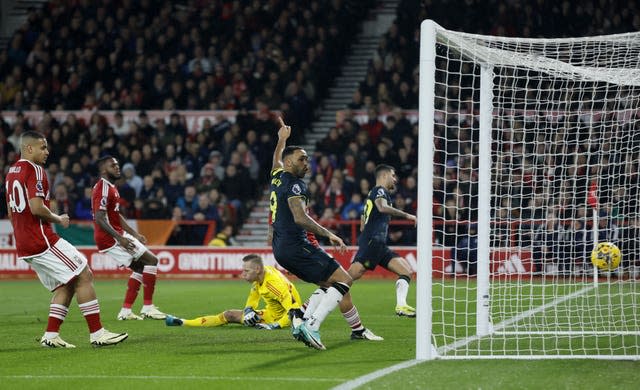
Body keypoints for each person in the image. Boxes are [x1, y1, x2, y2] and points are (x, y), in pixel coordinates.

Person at [5, 131, 128, 348]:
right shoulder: (36, 170)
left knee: (67, 283)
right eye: (42, 147)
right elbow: (36, 208)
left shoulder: (11, 172)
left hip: (25, 242)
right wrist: (57, 218)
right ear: (29, 148)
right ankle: (98, 333)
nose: (47, 151)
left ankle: (51, 336)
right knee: (84, 273)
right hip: (41, 240)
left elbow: (10, 210)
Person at [270, 117, 380, 350]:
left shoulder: (278, 176)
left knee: (333, 286)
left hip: (282, 249)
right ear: (289, 162)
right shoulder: (294, 185)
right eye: (302, 159)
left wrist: (282, 140)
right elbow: (300, 217)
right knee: (344, 280)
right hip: (297, 246)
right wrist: (329, 234)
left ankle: (346, 327)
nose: (307, 163)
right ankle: (311, 325)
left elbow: (275, 161)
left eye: (308, 159)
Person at [91, 155, 166, 321]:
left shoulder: (112, 187)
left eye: (117, 164)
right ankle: (148, 307)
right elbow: (99, 218)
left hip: (118, 235)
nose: (117, 167)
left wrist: (134, 234)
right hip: (110, 238)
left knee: (141, 268)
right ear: (103, 169)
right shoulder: (103, 188)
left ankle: (126, 311)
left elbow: (115, 215)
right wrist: (121, 238)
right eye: (113, 165)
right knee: (151, 261)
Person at [347, 164, 418, 317]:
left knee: (406, 271)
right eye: (393, 175)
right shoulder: (380, 191)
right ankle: (308, 307)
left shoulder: (372, 194)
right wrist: (408, 216)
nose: (395, 179)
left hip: (378, 244)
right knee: (346, 278)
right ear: (384, 176)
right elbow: (381, 207)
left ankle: (402, 306)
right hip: (373, 242)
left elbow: (361, 225)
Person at [165, 254, 301, 329]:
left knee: (232, 315)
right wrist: (248, 309)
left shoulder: (274, 285)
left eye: (246, 271)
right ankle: (183, 322)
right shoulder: (262, 275)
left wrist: (275, 326)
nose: (243, 275)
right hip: (271, 314)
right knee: (229, 314)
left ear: (257, 269)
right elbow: (254, 295)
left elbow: (294, 311)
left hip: (282, 318)